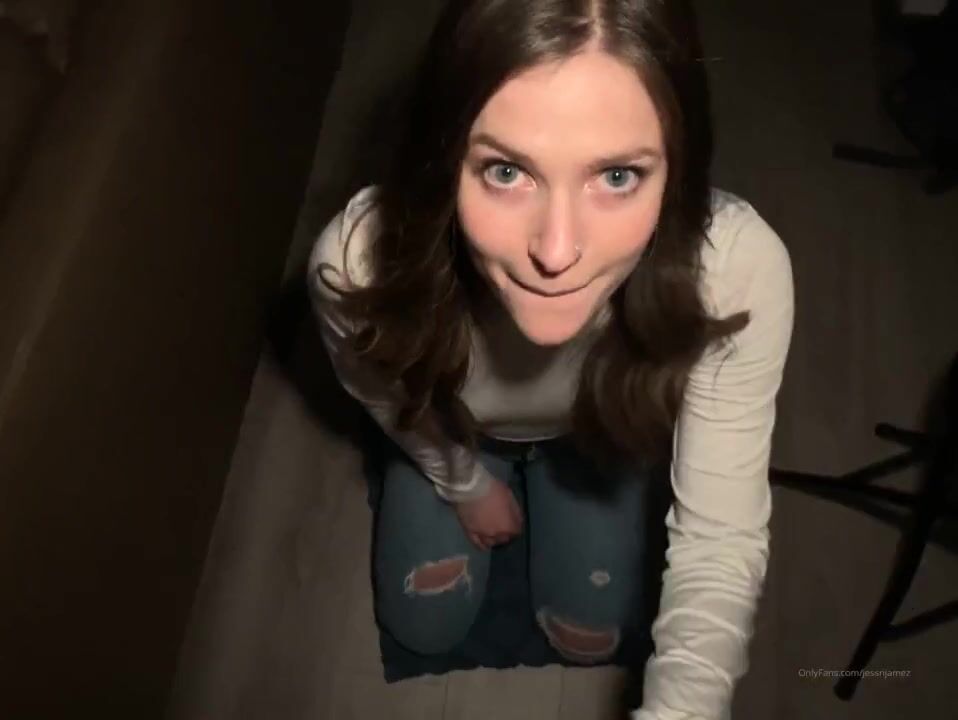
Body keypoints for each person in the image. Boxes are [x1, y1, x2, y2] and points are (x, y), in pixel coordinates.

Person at [307, 0, 794, 718]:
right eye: (506, 170)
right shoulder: (358, 264)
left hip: (596, 430)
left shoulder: (734, 271)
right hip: (455, 429)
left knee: (591, 637)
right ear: (444, 157)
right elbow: (383, 393)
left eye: (618, 176)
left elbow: (719, 539)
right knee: (424, 623)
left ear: (678, 164)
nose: (556, 252)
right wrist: (463, 481)